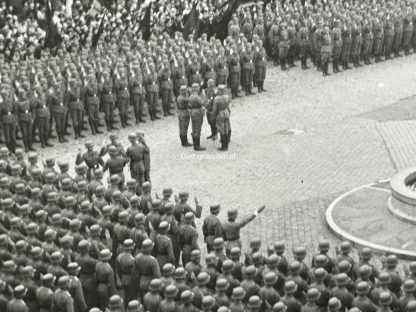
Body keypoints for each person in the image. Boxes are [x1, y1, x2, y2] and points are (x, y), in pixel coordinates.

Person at [211, 85, 231, 151]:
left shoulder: (216, 98)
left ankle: (223, 146)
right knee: (226, 129)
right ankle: (226, 145)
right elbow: (228, 105)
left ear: (219, 90)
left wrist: (213, 118)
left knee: (222, 130)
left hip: (220, 114)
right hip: (226, 113)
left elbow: (214, 110)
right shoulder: (227, 96)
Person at [189, 83, 206, 151]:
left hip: (193, 111)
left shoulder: (191, 96)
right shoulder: (196, 97)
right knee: (197, 129)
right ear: (197, 89)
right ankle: (197, 146)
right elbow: (203, 103)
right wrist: (204, 95)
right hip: (198, 112)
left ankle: (195, 145)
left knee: (194, 129)